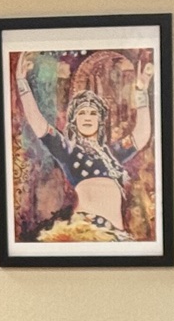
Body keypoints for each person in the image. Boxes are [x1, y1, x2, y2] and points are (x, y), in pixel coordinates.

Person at [12, 54, 153, 240]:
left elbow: (141, 135)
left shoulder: (112, 155)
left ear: (100, 122)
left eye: (92, 113)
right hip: (88, 230)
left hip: (117, 234)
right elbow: (40, 125)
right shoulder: (68, 151)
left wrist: (141, 91)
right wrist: (22, 83)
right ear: (74, 121)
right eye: (82, 113)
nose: (87, 117)